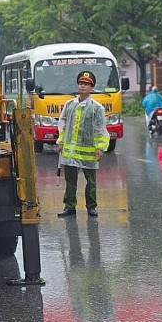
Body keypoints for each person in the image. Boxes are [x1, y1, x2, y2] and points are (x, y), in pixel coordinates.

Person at [57, 70, 110, 218]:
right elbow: (63, 124)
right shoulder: (69, 105)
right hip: (70, 151)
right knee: (70, 181)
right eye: (81, 83)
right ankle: (69, 207)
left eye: (86, 84)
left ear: (91, 88)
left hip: (89, 152)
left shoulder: (97, 108)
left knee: (91, 181)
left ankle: (91, 207)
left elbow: (101, 129)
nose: (82, 86)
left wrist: (100, 147)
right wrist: (60, 142)